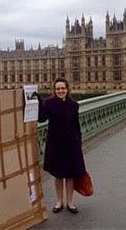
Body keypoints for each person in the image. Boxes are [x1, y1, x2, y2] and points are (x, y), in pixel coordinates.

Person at [36, 77, 86, 214]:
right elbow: (41, 118)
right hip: (56, 144)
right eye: (58, 88)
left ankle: (70, 202)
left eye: (63, 88)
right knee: (58, 175)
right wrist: (39, 100)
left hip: (71, 143)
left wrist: (79, 143)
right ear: (54, 90)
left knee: (70, 174)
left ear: (67, 89)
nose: (60, 91)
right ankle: (60, 201)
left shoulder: (74, 104)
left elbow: (77, 125)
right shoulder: (49, 103)